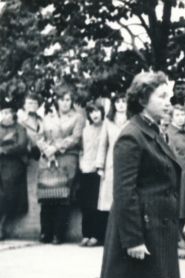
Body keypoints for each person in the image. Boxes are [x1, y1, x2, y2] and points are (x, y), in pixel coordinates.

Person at [96, 71, 182, 278]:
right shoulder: (132, 134)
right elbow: (124, 190)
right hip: (138, 229)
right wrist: (132, 238)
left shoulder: (152, 130)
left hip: (155, 227)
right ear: (142, 99)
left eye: (168, 94)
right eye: (162, 95)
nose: (168, 100)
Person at [37, 84, 85, 244]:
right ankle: (45, 232)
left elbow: (75, 138)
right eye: (62, 100)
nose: (66, 103)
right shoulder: (48, 117)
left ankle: (59, 234)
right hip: (48, 159)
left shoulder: (77, 117)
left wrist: (56, 148)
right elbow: (39, 137)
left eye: (68, 100)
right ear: (57, 101)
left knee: (63, 196)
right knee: (46, 195)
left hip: (66, 159)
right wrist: (46, 149)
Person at [96, 93, 128, 229]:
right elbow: (103, 144)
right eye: (118, 102)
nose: (121, 104)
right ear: (114, 104)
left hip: (128, 163)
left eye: (124, 101)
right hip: (111, 163)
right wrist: (100, 166)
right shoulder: (108, 122)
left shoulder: (132, 121)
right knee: (110, 199)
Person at [0, 96, 30, 240]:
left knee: (8, 190)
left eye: (8, 112)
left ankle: (2, 224)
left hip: (14, 162)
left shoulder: (19, 128)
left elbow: (22, 145)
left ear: (13, 114)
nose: (5, 115)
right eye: (3, 112)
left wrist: (4, 150)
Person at [77, 102, 106, 246]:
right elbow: (82, 150)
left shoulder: (106, 128)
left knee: (98, 204)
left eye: (97, 111)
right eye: (92, 112)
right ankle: (86, 234)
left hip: (100, 170)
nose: (95, 114)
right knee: (86, 203)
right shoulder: (86, 130)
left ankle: (96, 235)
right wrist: (82, 164)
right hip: (86, 169)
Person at [18, 93, 44, 160]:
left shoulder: (41, 120)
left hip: (40, 155)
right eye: (30, 103)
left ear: (38, 105)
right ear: (24, 105)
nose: (33, 105)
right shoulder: (19, 119)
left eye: (35, 103)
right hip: (24, 155)